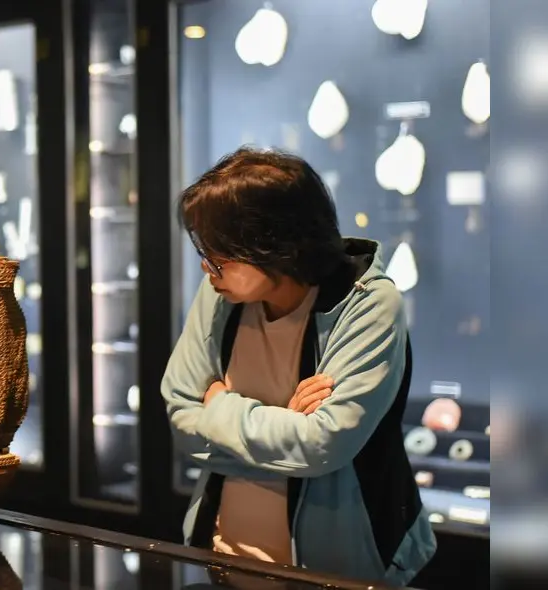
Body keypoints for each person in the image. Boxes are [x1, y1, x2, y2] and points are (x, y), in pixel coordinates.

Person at [161, 147, 436, 586]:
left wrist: (219, 406)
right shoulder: (219, 294)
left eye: (220, 255)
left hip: (338, 573)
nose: (207, 267)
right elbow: (179, 417)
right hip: (225, 560)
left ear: (273, 245)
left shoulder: (367, 303)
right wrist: (286, 425)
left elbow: (323, 444)